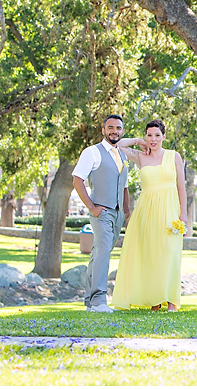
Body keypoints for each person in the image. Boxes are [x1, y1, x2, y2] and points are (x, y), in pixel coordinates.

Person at [112, 119, 187, 311]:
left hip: (170, 210)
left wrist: (183, 214)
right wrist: (137, 141)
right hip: (146, 211)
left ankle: (171, 301)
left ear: (163, 136)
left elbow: (181, 187)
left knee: (170, 253)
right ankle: (155, 301)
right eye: (149, 135)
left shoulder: (174, 156)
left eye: (157, 135)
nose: (153, 139)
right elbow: (118, 144)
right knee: (151, 255)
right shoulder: (139, 156)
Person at [71, 114, 132, 313]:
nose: (115, 131)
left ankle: (90, 301)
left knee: (99, 253)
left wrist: (126, 212)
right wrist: (92, 208)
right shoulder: (92, 152)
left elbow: (124, 187)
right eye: (111, 127)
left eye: (118, 128)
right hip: (101, 212)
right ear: (103, 130)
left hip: (117, 215)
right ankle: (99, 301)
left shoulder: (121, 155)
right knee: (103, 252)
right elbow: (77, 180)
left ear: (122, 131)